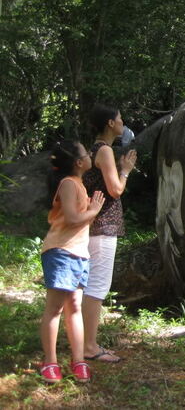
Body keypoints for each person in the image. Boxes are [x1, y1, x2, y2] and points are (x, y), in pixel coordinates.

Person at [40, 140, 105, 384]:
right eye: (88, 153)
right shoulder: (68, 183)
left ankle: (78, 361)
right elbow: (73, 218)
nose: (91, 155)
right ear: (79, 162)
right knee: (55, 309)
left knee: (75, 308)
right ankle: (50, 362)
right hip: (61, 252)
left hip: (78, 254)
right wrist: (94, 210)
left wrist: (92, 208)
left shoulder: (77, 183)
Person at [81, 104, 137, 363]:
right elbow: (115, 190)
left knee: (90, 285)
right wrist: (125, 170)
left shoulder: (95, 149)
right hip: (103, 225)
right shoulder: (103, 150)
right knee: (97, 287)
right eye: (120, 119)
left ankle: (86, 342)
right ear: (110, 124)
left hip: (94, 224)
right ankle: (89, 347)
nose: (123, 123)